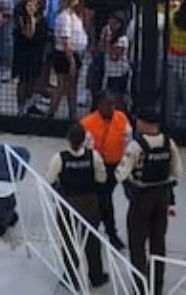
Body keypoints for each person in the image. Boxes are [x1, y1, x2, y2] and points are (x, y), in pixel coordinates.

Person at [115, 109, 183, 295]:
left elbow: (121, 173)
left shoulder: (136, 146)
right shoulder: (169, 144)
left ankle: (140, 289)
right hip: (162, 198)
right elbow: (177, 172)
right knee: (158, 245)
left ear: (146, 124)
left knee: (137, 247)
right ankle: (157, 288)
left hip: (141, 199)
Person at [45, 123, 109, 289]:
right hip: (89, 202)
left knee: (68, 240)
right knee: (92, 239)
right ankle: (96, 276)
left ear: (68, 139)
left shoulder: (60, 158)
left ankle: (71, 276)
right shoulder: (93, 156)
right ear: (84, 140)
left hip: (68, 202)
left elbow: (50, 179)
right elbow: (101, 179)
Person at [82, 92, 131, 249]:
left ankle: (103, 232)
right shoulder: (87, 123)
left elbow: (128, 141)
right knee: (104, 200)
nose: (111, 108)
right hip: (96, 169)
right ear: (99, 105)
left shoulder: (121, 118)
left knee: (107, 198)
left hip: (116, 166)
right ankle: (109, 234)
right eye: (108, 104)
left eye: (113, 104)